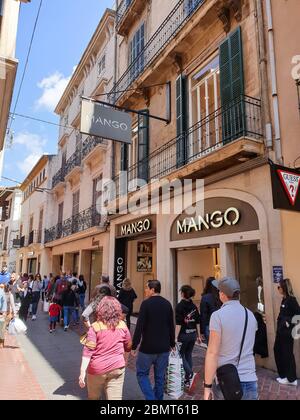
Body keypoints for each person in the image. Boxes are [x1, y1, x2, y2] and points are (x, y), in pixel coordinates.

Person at [204, 277, 258, 401]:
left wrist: (207, 386)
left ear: (222, 294)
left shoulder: (217, 316)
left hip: (226, 382)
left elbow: (212, 353)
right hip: (250, 379)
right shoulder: (250, 315)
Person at [79, 296, 132, 400]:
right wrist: (125, 360)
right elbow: (128, 346)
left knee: (93, 397)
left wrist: (82, 372)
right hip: (117, 367)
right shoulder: (122, 325)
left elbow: (88, 351)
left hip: (96, 370)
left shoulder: (95, 327)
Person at [131, 280, 175, 401]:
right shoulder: (167, 304)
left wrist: (134, 346)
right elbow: (171, 325)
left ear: (153, 290)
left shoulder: (146, 304)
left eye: (147, 288)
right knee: (160, 377)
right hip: (164, 348)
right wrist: (172, 343)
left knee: (141, 374)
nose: (145, 290)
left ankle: (151, 399)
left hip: (147, 348)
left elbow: (139, 326)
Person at [274, 278, 300, 386]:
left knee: (287, 354)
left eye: (279, 287)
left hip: (287, 332)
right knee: (278, 350)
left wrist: (288, 322)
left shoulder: (291, 300)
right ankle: (284, 375)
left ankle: (292, 379)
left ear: (284, 288)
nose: (278, 289)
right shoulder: (284, 300)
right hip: (281, 332)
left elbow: (298, 315)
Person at [175, 285, 201, 392]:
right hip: (193, 334)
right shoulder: (194, 306)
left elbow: (179, 323)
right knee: (188, 354)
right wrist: (199, 335)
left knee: (181, 354)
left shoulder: (180, 306)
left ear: (183, 293)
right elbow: (198, 321)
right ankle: (187, 379)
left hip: (183, 335)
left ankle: (190, 374)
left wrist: (175, 337)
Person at [200, 277, 222, 343]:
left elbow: (203, 315)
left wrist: (202, 331)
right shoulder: (220, 296)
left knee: (211, 347)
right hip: (221, 324)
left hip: (209, 326)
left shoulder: (205, 297)